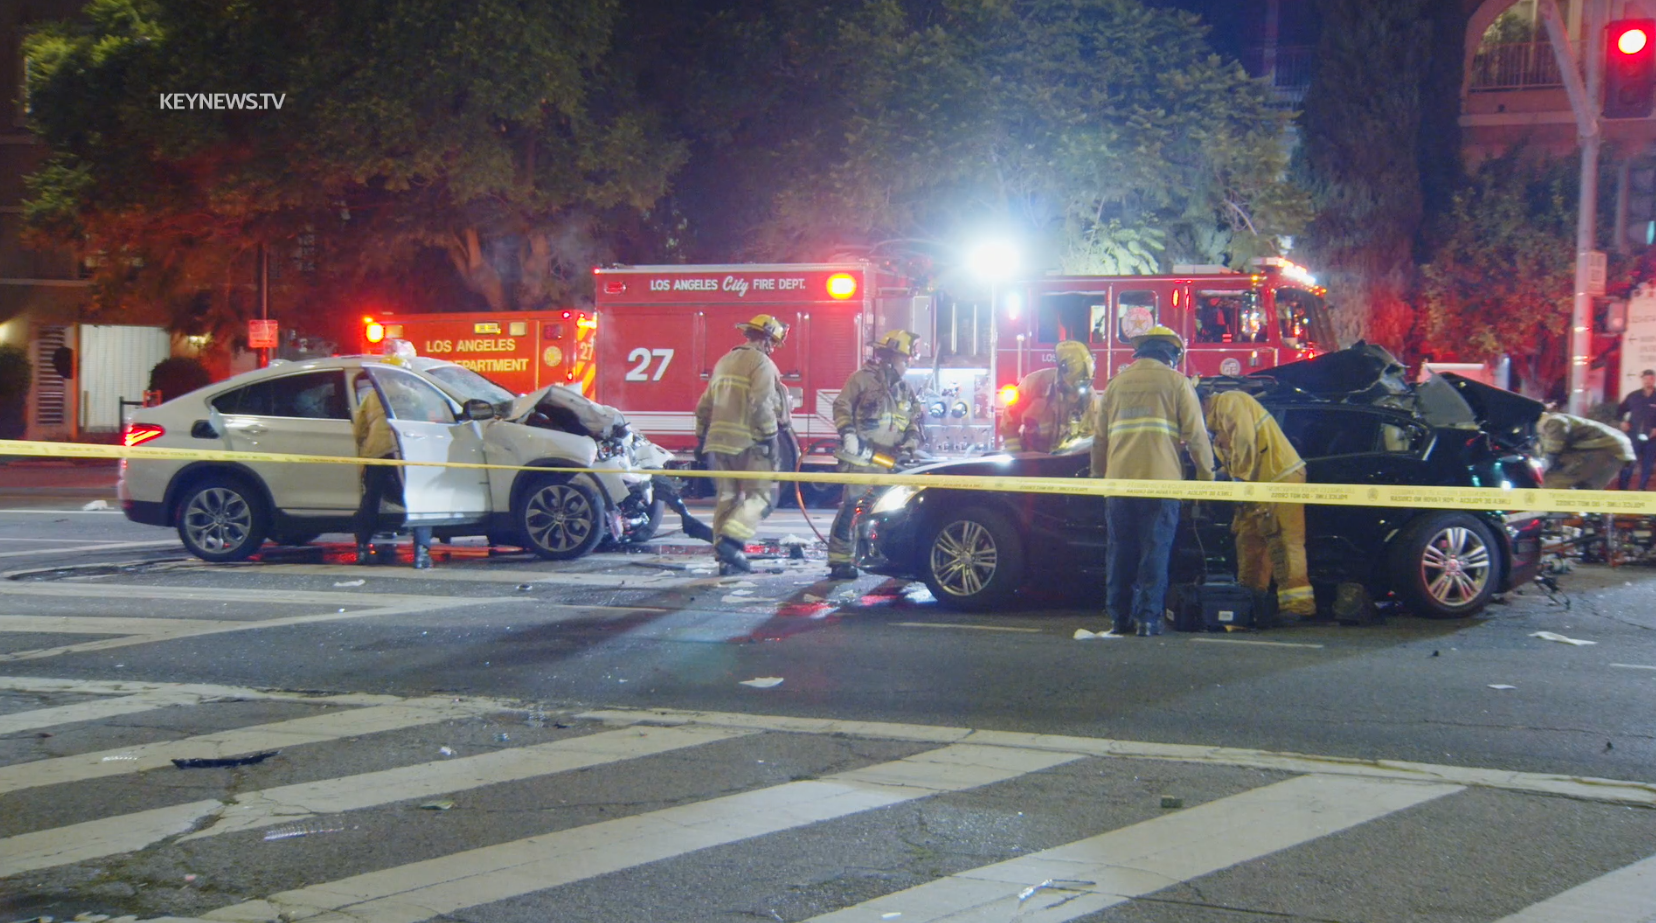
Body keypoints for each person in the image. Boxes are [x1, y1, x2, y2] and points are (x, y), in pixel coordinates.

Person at [1091, 325, 1215, 636]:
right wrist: (1207, 477)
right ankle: (1147, 620)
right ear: (1171, 355)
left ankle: (1118, 619)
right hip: (1162, 484)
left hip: (1118, 484)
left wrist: (1096, 478)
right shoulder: (1176, 383)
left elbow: (1099, 440)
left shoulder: (1116, 385)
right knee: (1154, 551)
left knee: (1119, 552)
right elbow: (1197, 437)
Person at [1204, 389, 1316, 620]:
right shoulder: (1216, 420)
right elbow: (1238, 450)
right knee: (1249, 539)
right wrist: (1225, 474)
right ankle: (1252, 599)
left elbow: (1244, 440)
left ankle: (1298, 607)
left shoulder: (1229, 401)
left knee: (1284, 540)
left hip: (1278, 478)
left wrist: (1238, 477)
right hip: (1257, 482)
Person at [694, 314, 790, 575]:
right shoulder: (762, 363)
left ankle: (726, 559)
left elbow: (704, 405)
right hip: (749, 442)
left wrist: (701, 435)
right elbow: (761, 405)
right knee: (762, 497)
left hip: (718, 443)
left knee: (727, 499)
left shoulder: (724, 361)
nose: (773, 349)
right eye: (773, 343)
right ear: (767, 340)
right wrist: (770, 438)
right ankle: (731, 543)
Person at [827, 329, 925, 580]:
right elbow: (842, 406)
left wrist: (911, 444)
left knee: (886, 513)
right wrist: (847, 433)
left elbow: (915, 420)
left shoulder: (904, 389)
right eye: (905, 359)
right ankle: (839, 561)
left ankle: (878, 556)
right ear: (890, 357)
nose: (907, 365)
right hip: (860, 460)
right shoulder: (861, 380)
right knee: (852, 509)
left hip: (889, 463)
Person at [352, 359, 433, 569]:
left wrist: (364, 448)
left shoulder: (372, 396)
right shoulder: (415, 396)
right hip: (407, 452)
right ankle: (421, 552)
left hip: (377, 452)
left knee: (371, 500)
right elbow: (423, 423)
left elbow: (359, 429)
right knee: (418, 500)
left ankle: (362, 546)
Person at [1002, 340, 1095, 453]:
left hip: (1063, 463)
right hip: (1031, 462)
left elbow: (1091, 439)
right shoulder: (1034, 384)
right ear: (1063, 370)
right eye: (1074, 387)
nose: (1077, 395)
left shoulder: (1090, 398)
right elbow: (1009, 421)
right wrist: (1016, 456)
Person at [1540, 411, 1635, 490]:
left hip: (1605, 449)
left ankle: (1555, 511)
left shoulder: (1553, 421)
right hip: (1618, 450)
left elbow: (1553, 450)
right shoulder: (1558, 419)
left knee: (1554, 479)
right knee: (1587, 489)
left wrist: (1544, 468)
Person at [1617, 369, 1656, 490]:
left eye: (1650, 379)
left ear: (1654, 380)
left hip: (1652, 437)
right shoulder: (1633, 396)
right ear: (1642, 380)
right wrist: (1622, 422)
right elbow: (1620, 411)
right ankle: (1623, 490)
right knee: (1629, 463)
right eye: (1645, 379)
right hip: (1633, 435)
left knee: (1647, 465)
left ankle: (1641, 489)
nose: (1648, 381)